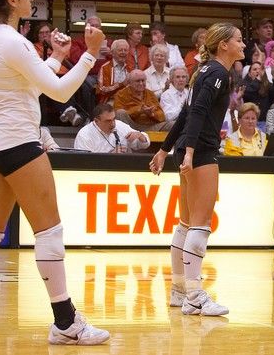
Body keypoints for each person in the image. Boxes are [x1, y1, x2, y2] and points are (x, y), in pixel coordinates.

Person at [0, 0, 109, 344]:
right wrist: (89, 53)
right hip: (18, 142)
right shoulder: (12, 40)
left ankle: (66, 322)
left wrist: (55, 57)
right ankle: (66, 322)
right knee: (49, 232)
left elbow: (30, 85)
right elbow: (57, 92)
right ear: (11, 1)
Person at [149, 22, 245, 317]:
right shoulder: (218, 73)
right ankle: (195, 295)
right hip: (200, 151)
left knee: (185, 223)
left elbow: (186, 114)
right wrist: (190, 152)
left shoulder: (202, 71)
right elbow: (199, 112)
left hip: (188, 150)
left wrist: (166, 150)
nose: (243, 45)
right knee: (200, 224)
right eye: (239, 40)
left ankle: (179, 291)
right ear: (223, 45)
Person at [74, 103, 150, 153]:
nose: (113, 124)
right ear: (96, 121)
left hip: (124, 169)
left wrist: (140, 136)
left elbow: (142, 145)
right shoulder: (84, 135)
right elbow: (84, 162)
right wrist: (110, 156)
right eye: (108, 121)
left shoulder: (120, 125)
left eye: (114, 119)